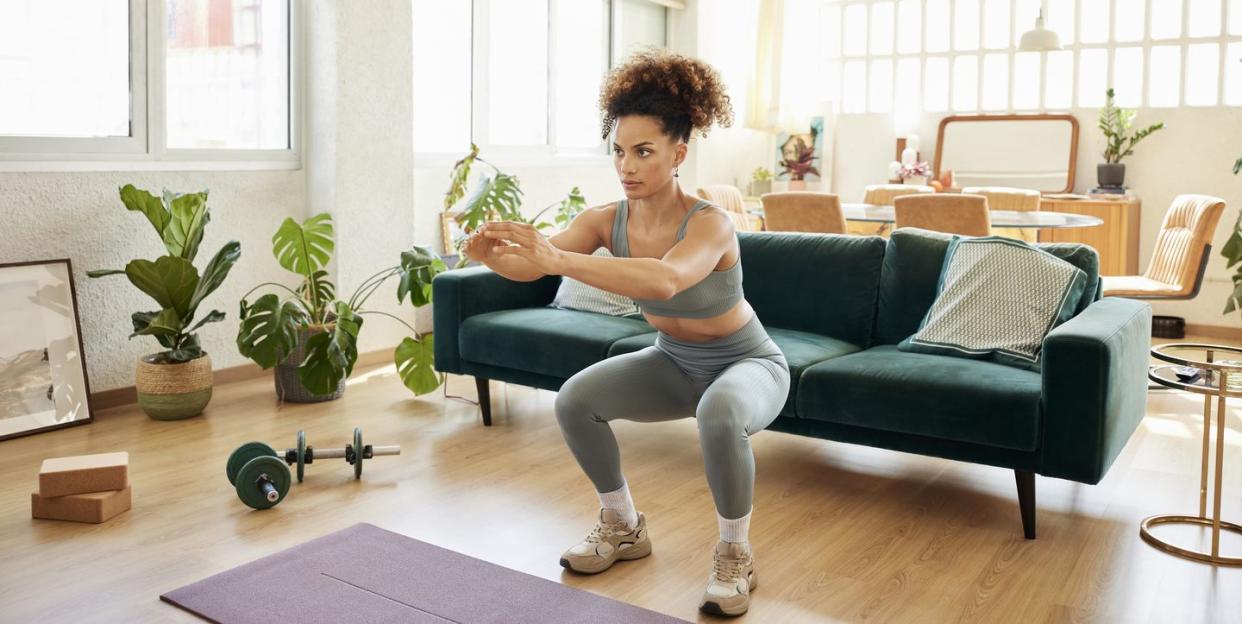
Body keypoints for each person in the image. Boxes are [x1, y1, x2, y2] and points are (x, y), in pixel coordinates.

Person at [460, 50, 790, 617]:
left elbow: (665, 280)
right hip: (672, 361)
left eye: (643, 151)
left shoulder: (710, 222)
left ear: (678, 153)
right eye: (619, 151)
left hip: (747, 364)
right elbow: (536, 263)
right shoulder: (605, 219)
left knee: (720, 415)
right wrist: (490, 256)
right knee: (576, 401)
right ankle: (623, 525)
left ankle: (735, 554)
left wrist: (554, 260)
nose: (627, 166)